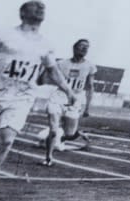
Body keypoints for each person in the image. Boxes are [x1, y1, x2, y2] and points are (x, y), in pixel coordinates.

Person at [0, 0, 76, 198]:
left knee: (7, 140)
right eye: (34, 6)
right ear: (22, 13)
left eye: (42, 6)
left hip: (21, 97)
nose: (40, 7)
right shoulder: (3, 34)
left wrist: (69, 91)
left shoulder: (46, 44)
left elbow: (53, 70)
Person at [38, 38, 95, 166]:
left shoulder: (90, 66)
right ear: (74, 48)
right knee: (53, 129)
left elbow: (90, 87)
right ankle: (48, 157)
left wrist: (87, 108)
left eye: (87, 47)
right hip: (59, 96)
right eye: (82, 46)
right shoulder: (61, 63)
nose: (85, 49)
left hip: (76, 98)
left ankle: (71, 134)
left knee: (69, 133)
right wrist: (43, 70)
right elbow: (44, 80)